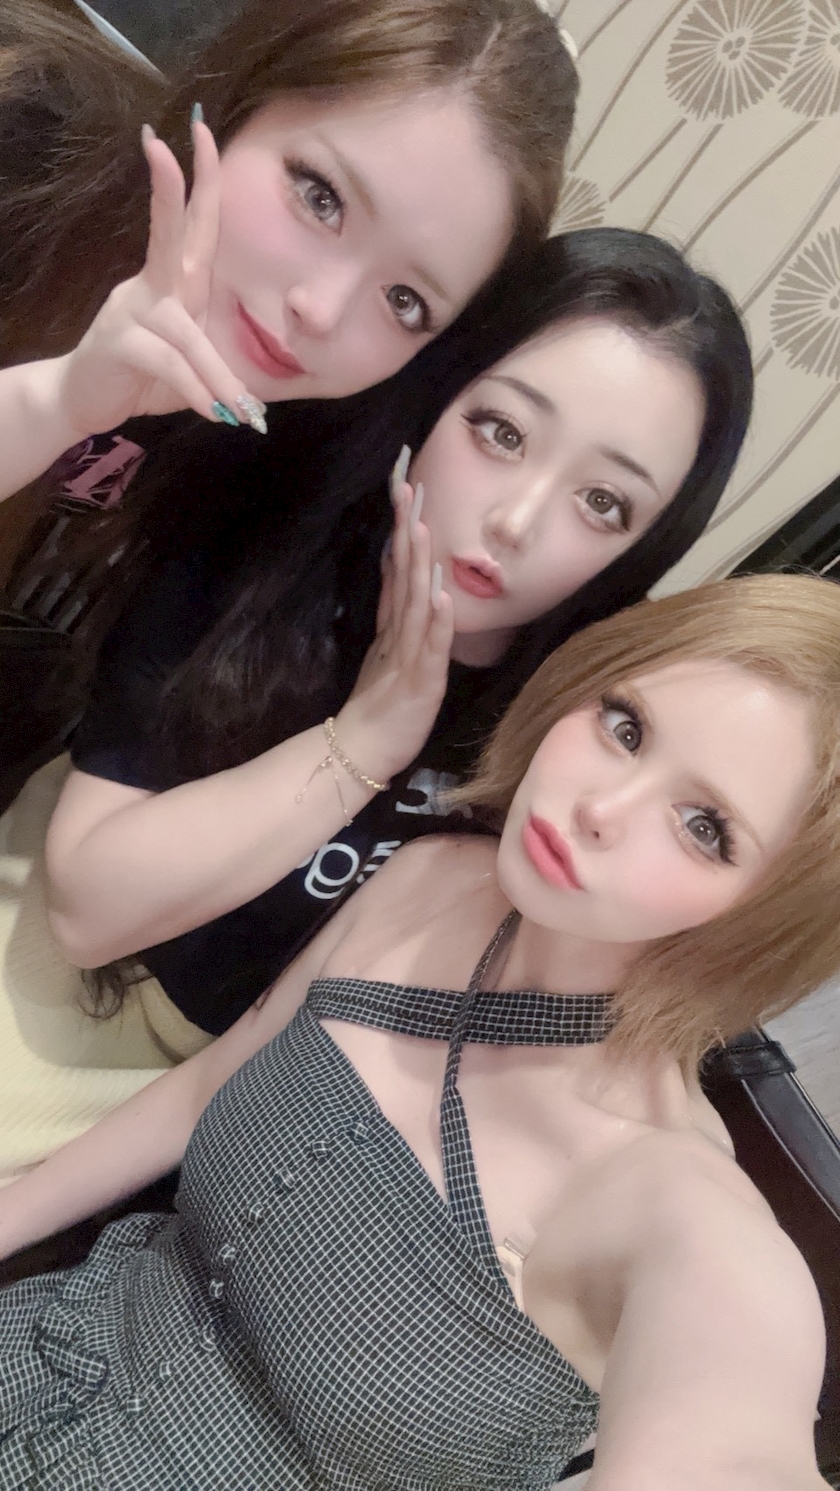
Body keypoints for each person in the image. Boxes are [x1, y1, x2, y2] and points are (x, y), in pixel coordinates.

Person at [0, 571, 836, 1491]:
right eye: (626, 726)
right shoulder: (434, 877)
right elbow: (204, 1088)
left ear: (768, 915)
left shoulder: (676, 1207)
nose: (602, 808)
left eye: (705, 827)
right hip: (40, 1350)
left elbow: (735, 1424)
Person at [0, 226, 752, 1180]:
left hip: (234, 1093)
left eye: (603, 502)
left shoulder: (588, 727)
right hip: (54, 959)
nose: (516, 522)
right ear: (439, 395)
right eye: (502, 432)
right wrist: (366, 738)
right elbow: (87, 913)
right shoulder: (272, 531)